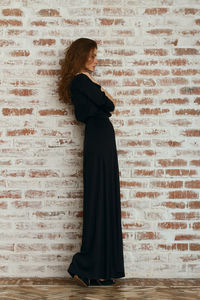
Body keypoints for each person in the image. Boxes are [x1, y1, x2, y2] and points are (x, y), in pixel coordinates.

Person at [57, 38, 125, 287]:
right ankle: (83, 266)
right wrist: (104, 93)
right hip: (98, 140)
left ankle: (99, 269)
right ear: (82, 56)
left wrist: (104, 97)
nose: (97, 60)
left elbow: (107, 105)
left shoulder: (84, 82)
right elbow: (109, 104)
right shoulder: (81, 81)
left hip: (101, 140)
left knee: (104, 198)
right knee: (99, 198)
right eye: (93, 56)